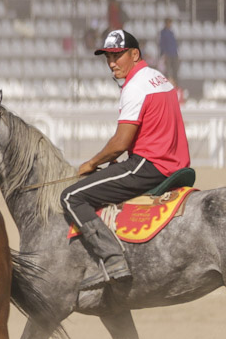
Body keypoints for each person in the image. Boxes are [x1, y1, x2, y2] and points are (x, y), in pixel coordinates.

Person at [61, 30, 189, 290]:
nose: (111, 63)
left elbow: (119, 144)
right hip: (175, 164)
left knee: (71, 197)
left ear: (134, 54)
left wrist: (91, 164)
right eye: (108, 57)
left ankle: (113, 260)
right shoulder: (158, 78)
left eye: (118, 56)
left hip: (150, 166)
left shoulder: (135, 86)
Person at [158, 19, 180, 87]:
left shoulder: (171, 32)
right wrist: (163, 54)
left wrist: (177, 53)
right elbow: (162, 44)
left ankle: (175, 85)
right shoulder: (163, 32)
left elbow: (174, 44)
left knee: (175, 70)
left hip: (174, 54)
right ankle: (167, 85)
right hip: (167, 54)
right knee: (168, 70)